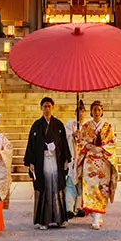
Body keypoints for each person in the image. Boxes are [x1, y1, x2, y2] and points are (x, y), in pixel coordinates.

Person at [24, 96, 72, 230]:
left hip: (55, 160)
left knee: (57, 187)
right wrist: (31, 162)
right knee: (44, 188)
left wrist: (66, 160)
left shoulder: (58, 124)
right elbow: (31, 145)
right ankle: (44, 220)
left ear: (53, 108)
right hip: (42, 161)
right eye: (44, 106)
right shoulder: (36, 125)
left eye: (49, 106)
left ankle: (59, 219)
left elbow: (64, 143)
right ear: (41, 108)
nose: (46, 109)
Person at [74, 100, 118, 230]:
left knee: (103, 188)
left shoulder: (108, 126)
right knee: (91, 188)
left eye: (99, 109)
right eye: (94, 110)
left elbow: (113, 142)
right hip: (90, 162)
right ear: (91, 112)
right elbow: (80, 141)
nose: (97, 112)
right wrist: (88, 145)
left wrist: (102, 148)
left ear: (102, 111)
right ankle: (95, 216)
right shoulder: (86, 126)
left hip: (103, 161)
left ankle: (98, 214)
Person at [64, 100, 86, 218]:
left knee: (81, 183)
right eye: (78, 112)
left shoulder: (87, 126)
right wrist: (72, 135)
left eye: (82, 112)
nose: (81, 114)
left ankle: (79, 207)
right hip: (72, 155)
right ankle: (69, 208)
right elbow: (65, 137)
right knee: (70, 182)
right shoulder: (69, 125)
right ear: (75, 113)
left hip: (83, 157)